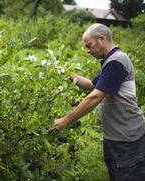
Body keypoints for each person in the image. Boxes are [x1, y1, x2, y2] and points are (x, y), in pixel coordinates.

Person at [50, 23, 145, 181]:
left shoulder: (116, 61)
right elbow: (90, 85)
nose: (87, 51)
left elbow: (95, 96)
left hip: (128, 140)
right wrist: (66, 72)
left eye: (89, 45)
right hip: (116, 138)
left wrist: (65, 120)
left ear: (101, 39)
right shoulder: (110, 62)